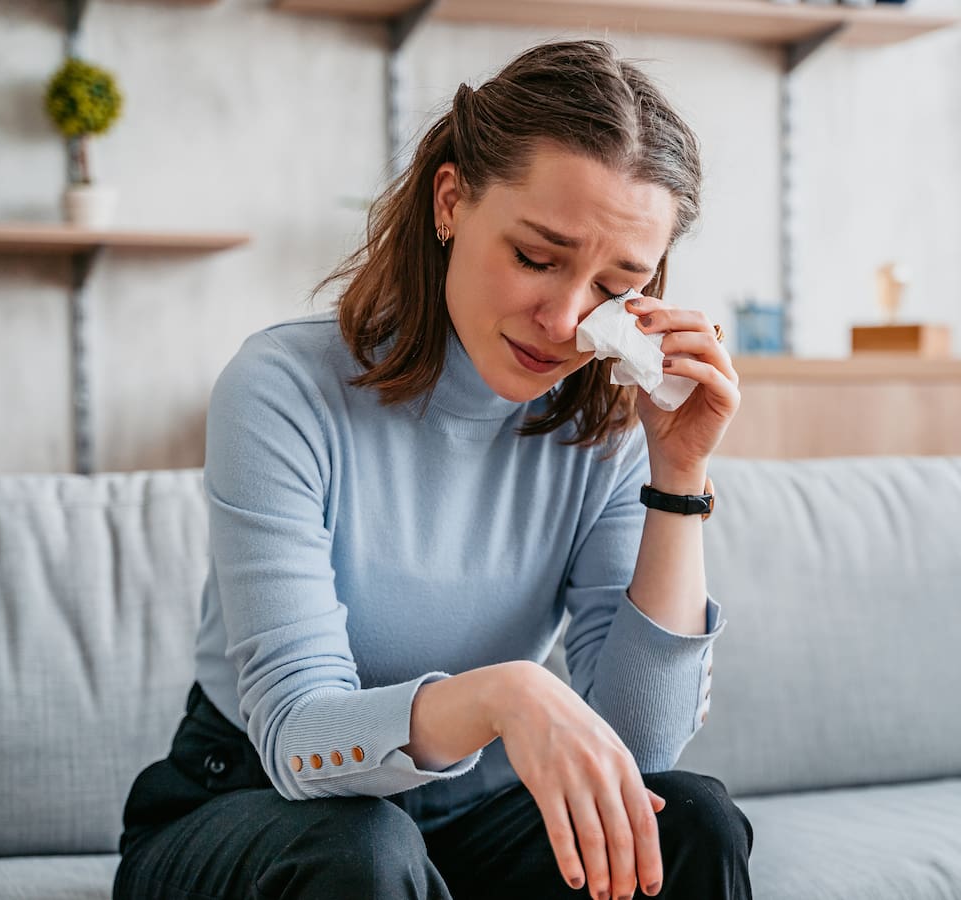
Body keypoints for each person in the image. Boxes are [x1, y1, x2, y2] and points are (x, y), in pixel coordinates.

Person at [114, 38, 752, 900]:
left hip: (466, 820)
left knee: (691, 822)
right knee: (365, 851)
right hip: (258, 810)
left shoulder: (607, 431)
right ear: (451, 202)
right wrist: (506, 696)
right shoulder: (282, 391)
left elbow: (640, 751)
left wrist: (677, 474)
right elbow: (300, 737)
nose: (566, 321)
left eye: (613, 286)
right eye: (536, 257)